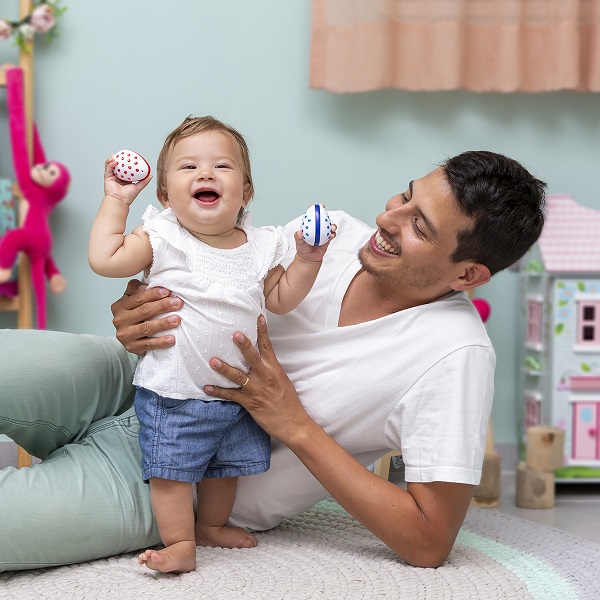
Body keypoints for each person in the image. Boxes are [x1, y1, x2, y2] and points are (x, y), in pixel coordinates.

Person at [0, 150, 545, 572]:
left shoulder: (455, 355)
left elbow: (430, 542)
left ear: (468, 274)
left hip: (182, 476)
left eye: (419, 226)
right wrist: (134, 314)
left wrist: (295, 426)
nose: (388, 217)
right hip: (130, 377)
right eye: (404, 197)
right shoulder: (329, 234)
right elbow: (209, 273)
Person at [87, 116, 332, 573]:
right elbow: (106, 259)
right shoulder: (164, 237)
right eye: (188, 168)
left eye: (222, 165)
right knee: (172, 473)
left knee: (227, 467)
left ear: (246, 191)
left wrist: (308, 258)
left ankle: (211, 526)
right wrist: (117, 199)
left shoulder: (263, 244)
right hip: (174, 392)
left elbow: (281, 299)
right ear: (164, 196)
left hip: (239, 393)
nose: (205, 174)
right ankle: (179, 542)